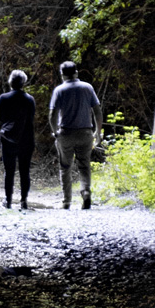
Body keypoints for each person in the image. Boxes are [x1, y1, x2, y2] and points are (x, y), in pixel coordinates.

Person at [48, 61, 102, 209]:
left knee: (65, 166)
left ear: (62, 75)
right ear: (76, 72)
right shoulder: (87, 87)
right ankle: (85, 192)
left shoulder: (59, 90)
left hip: (65, 133)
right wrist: (98, 131)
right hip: (85, 132)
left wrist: (55, 132)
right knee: (84, 166)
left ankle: (66, 201)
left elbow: (52, 114)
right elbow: (97, 111)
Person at [0, 69, 36, 209]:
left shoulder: (3, 98)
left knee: (9, 170)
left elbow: (0, 118)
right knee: (25, 170)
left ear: (10, 82)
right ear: (23, 82)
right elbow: (31, 118)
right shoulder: (30, 99)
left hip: (8, 138)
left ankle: (8, 200)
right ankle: (24, 200)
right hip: (27, 138)